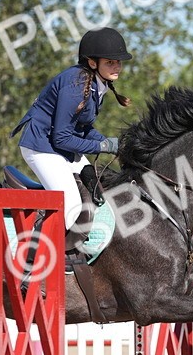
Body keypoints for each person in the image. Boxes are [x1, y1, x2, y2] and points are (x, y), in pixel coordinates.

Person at [13, 27, 132, 268]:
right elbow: (62, 138)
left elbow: (84, 129)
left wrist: (113, 144)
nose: (117, 67)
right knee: (73, 207)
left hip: (59, 147)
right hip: (42, 148)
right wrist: (104, 145)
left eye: (118, 62)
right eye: (110, 62)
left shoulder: (98, 83)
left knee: (96, 192)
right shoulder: (75, 83)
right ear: (92, 62)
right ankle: (39, 261)